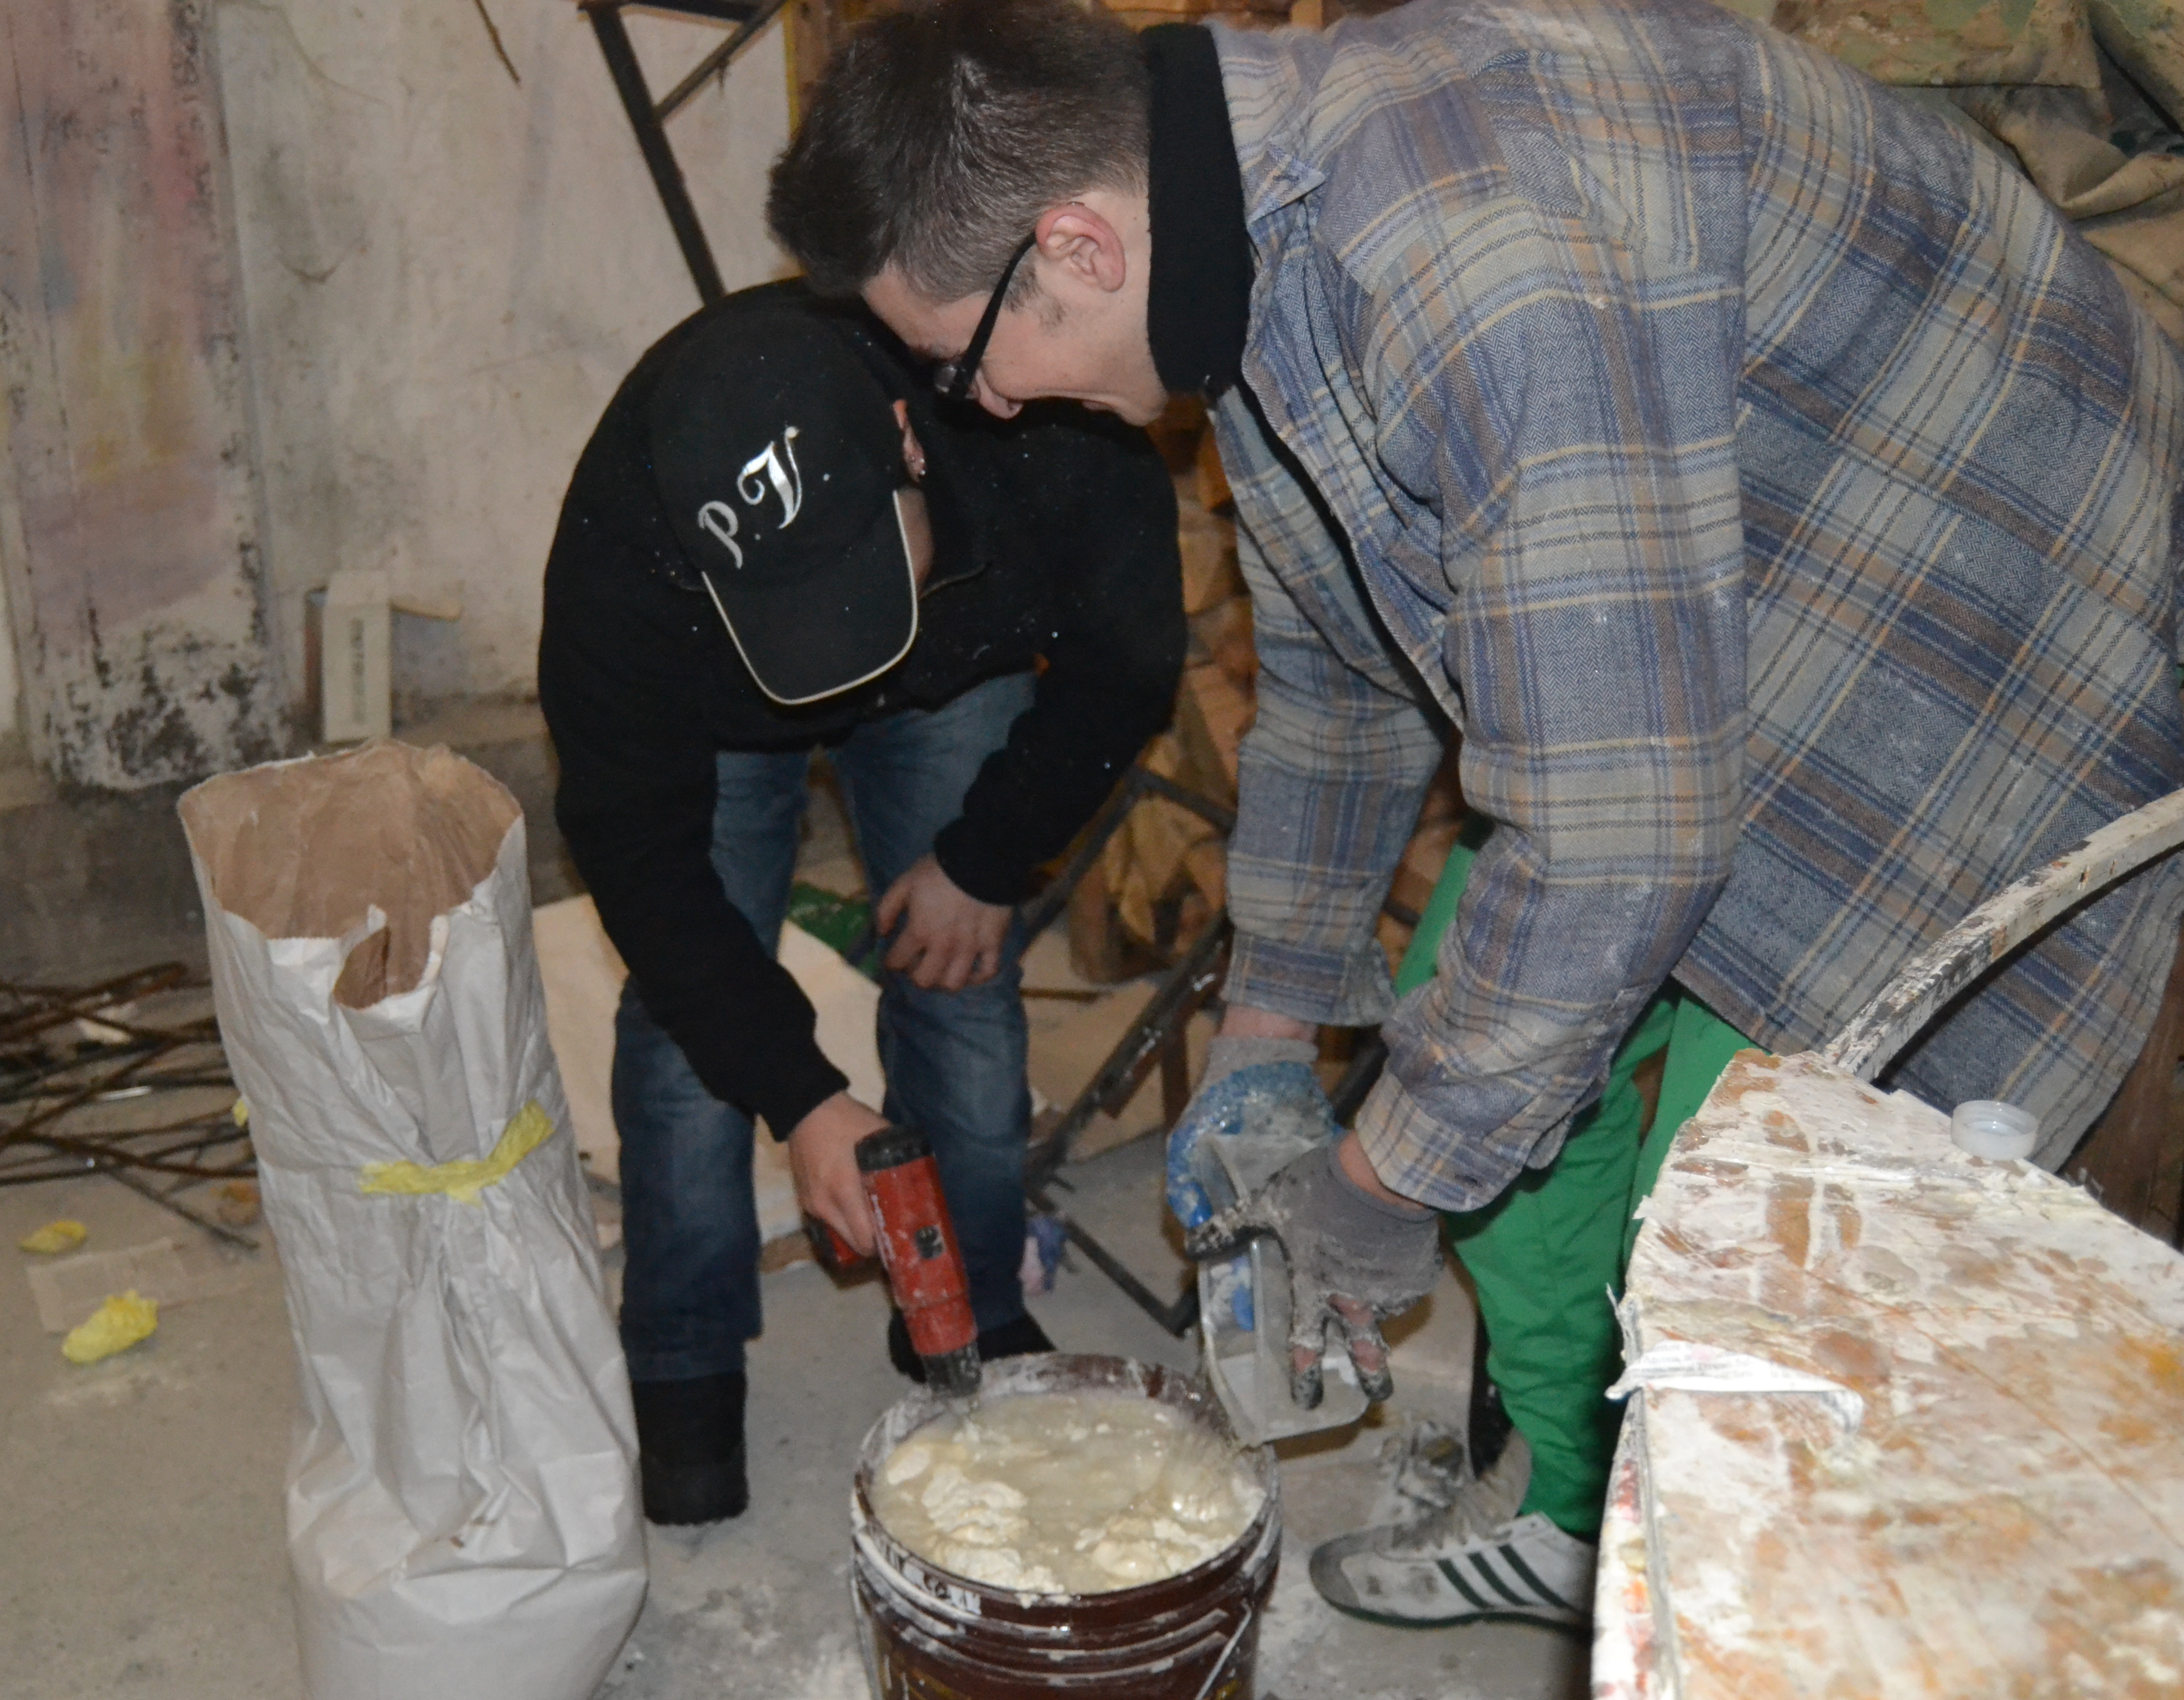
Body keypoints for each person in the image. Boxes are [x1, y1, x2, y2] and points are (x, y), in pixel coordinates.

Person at [767, 0, 2184, 1624]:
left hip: (1988, 659)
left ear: (1075, 246)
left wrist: (1382, 1185)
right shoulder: (1238, 245)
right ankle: (1584, 1513)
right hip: (1726, 634)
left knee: (1752, 1274)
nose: (996, 410)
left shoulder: (1464, 256)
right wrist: (1268, 1024)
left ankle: (1706, 1552)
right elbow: (1339, 673)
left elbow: (1623, 837)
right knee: (1492, 1098)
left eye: (967, 365)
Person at [538, 283, 1184, 1526]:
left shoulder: (1037, 412)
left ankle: (968, 1302)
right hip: (726, 702)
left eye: (864, 576)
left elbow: (1130, 660)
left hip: (958, 659)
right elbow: (644, 867)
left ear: (906, 440)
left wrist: (986, 860)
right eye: (811, 611)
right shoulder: (627, 554)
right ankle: (682, 1354)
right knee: (687, 1022)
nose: (846, 651)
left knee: (962, 981)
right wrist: (802, 1096)